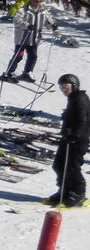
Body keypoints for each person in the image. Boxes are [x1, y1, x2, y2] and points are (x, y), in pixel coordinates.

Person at [53, 74, 87, 208]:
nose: (63, 90)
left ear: (74, 86)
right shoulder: (72, 98)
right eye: (61, 88)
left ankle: (78, 193)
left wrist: (74, 134)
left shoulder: (80, 98)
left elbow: (83, 120)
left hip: (78, 140)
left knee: (72, 168)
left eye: (65, 87)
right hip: (68, 138)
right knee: (59, 165)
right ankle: (64, 191)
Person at [6, 0, 49, 81]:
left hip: (34, 38)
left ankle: (27, 72)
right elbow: (16, 20)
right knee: (19, 56)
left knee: (33, 56)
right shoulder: (23, 10)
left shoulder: (43, 11)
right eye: (36, 1)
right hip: (23, 38)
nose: (38, 3)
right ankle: (9, 72)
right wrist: (27, 25)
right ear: (31, 0)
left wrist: (52, 25)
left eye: (40, 1)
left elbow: (47, 21)